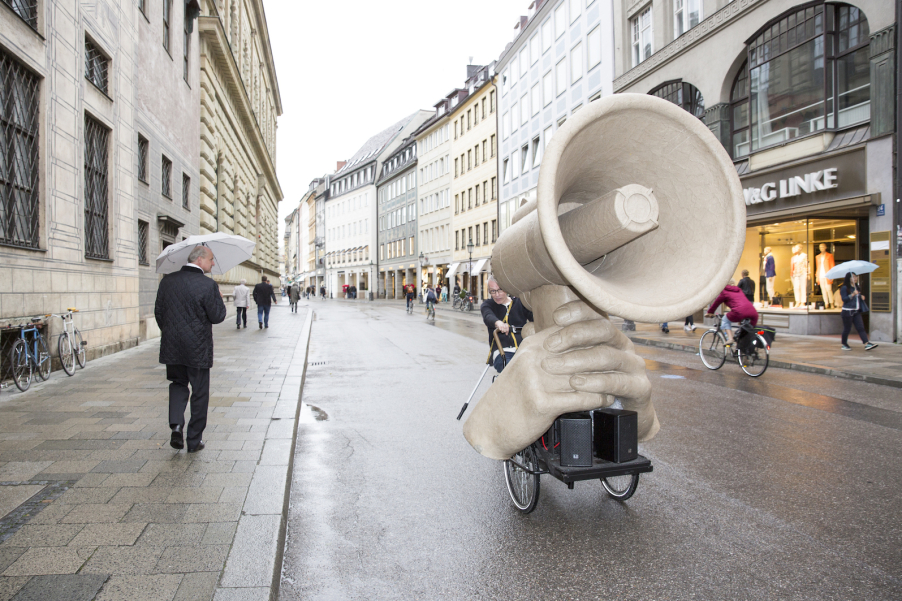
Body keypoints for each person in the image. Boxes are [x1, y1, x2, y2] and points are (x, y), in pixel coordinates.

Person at [154, 246, 226, 453]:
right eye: (211, 259)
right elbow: (217, 317)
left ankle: (176, 425)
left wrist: (170, 333)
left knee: (177, 384)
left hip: (172, 346)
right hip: (198, 348)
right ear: (200, 260)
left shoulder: (167, 281)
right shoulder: (207, 285)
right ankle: (194, 441)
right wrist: (218, 297)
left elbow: (159, 313)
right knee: (199, 392)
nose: (213, 264)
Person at [481, 277, 533, 372]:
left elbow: (535, 318)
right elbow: (488, 316)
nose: (497, 295)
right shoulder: (488, 305)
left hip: (524, 350)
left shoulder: (520, 302)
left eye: (500, 290)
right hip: (502, 352)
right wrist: (498, 323)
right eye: (493, 291)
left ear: (507, 289)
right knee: (511, 370)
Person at [706, 279, 758, 344]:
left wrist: (710, 312)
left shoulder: (724, 292)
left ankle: (730, 339)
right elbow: (740, 303)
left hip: (740, 312)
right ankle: (746, 345)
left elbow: (716, 303)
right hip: (753, 312)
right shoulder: (739, 290)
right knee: (749, 331)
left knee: (725, 319)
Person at [839, 272, 878, 351]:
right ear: (848, 278)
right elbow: (844, 299)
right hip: (847, 311)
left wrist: (860, 296)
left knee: (861, 328)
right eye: (853, 277)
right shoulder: (845, 288)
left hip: (856, 311)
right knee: (847, 329)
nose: (855, 278)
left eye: (855, 276)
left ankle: (867, 343)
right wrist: (852, 294)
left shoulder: (856, 287)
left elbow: (856, 299)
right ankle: (844, 344)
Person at [816, 243, 836, 308]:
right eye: (820, 247)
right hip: (820, 275)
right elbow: (817, 267)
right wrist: (817, 276)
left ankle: (831, 303)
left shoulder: (829, 256)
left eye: (822, 247)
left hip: (827, 275)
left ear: (825, 247)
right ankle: (826, 303)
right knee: (823, 290)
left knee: (829, 289)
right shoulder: (817, 257)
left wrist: (832, 275)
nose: (821, 248)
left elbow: (832, 265)